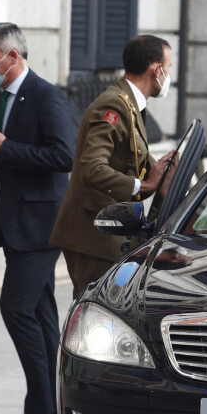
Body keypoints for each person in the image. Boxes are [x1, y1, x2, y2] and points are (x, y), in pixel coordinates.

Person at [0, 23, 75, 414]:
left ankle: (40, 411)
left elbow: (64, 155)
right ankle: (53, 411)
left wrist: (7, 148)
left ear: (13, 57)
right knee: (42, 316)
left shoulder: (47, 96)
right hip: (11, 226)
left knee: (17, 308)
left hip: (41, 228)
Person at [50, 34, 178, 298]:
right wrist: (146, 184)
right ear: (157, 70)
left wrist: (160, 175)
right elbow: (91, 168)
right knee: (95, 315)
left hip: (107, 233)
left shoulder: (130, 104)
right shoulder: (114, 105)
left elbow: (130, 162)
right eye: (169, 68)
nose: (168, 76)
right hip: (92, 235)